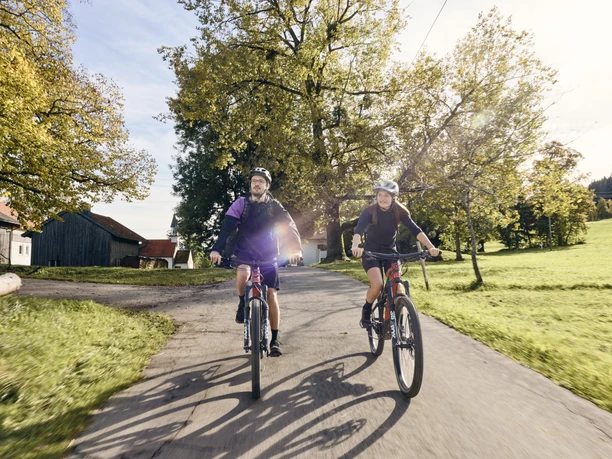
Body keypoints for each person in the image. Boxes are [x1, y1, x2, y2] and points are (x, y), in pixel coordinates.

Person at [210, 168, 302, 356]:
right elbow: (226, 227)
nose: (257, 184)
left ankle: (275, 340)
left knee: (271, 295)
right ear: (250, 184)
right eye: (254, 181)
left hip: (268, 253)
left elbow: (289, 226)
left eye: (261, 181)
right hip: (244, 250)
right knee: (243, 274)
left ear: (267, 186)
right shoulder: (240, 204)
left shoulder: (274, 205)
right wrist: (217, 248)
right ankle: (242, 302)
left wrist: (295, 249)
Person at [351, 179, 440, 328]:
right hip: (371, 253)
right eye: (380, 195)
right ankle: (367, 309)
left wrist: (431, 247)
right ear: (376, 196)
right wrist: (356, 246)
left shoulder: (400, 212)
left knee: (398, 287)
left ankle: (395, 321)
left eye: (386, 195)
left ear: (393, 197)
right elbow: (358, 230)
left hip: (391, 252)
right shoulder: (369, 211)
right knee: (378, 284)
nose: (383, 198)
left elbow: (416, 230)